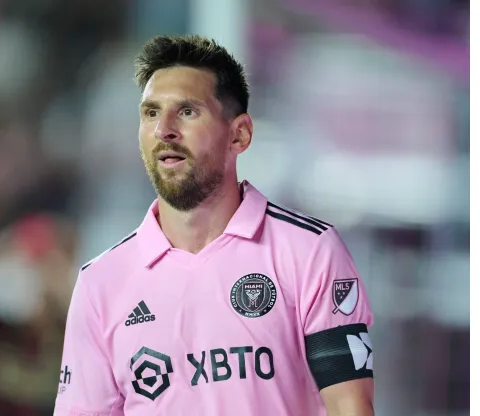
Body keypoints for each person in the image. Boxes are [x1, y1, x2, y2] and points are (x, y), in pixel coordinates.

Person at [54, 35, 375, 416]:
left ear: (239, 134)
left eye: (187, 112)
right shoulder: (100, 282)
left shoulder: (310, 252)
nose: (164, 130)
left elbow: (350, 408)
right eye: (151, 113)